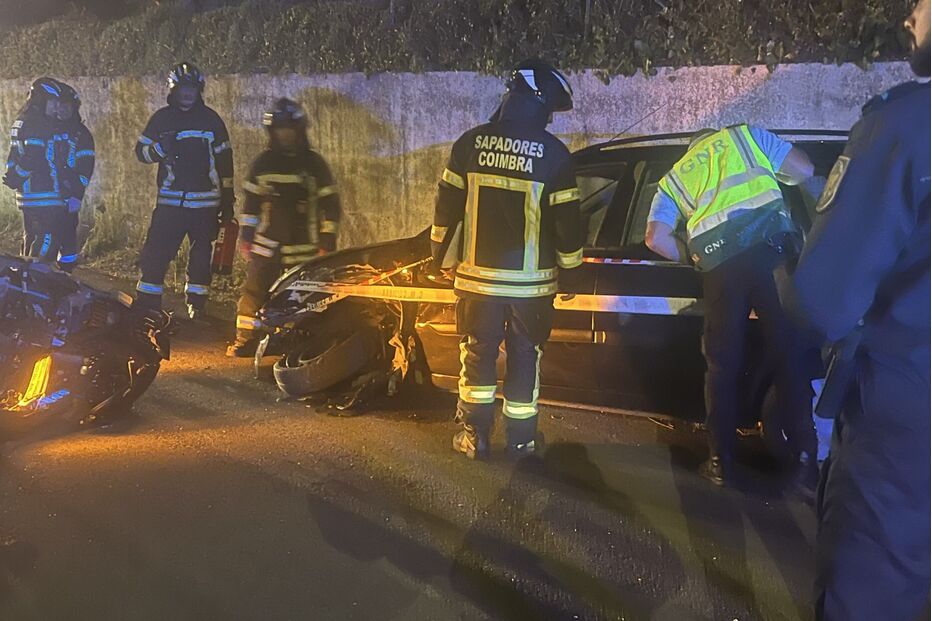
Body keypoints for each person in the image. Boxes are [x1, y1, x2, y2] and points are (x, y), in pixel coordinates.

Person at [783, 1, 930, 617]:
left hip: (907, 431)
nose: (911, 19)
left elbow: (823, 303)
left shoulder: (904, 127)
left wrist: (781, 276)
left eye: (921, 3)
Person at [645, 124, 816, 487]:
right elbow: (805, 170)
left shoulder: (674, 178)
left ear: (691, 150)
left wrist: (696, 258)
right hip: (773, 254)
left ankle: (720, 461)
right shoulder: (745, 136)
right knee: (789, 354)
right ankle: (805, 458)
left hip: (721, 269)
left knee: (721, 365)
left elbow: (655, 239)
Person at [431, 59, 584, 460]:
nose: (550, 118)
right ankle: (521, 441)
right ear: (538, 103)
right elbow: (568, 223)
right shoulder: (554, 154)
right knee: (525, 358)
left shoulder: (470, 144)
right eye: (550, 109)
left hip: (477, 282)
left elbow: (446, 210)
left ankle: (474, 437)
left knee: (477, 355)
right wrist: (571, 273)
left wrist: (438, 259)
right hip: (531, 288)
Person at [227, 98, 342, 357]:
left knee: (305, 298)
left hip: (305, 248)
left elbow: (331, 206)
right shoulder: (263, 164)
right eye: (280, 130)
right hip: (267, 245)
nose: (285, 135)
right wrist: (246, 237)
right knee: (254, 293)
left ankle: (301, 341)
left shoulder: (314, 165)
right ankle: (246, 339)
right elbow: (251, 205)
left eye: (289, 129)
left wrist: (327, 242)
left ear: (299, 130)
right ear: (272, 132)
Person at [134, 62, 234, 319]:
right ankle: (147, 307)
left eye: (192, 88)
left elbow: (225, 161)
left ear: (199, 90)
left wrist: (228, 199)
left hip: (205, 204)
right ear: (173, 90)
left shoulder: (211, 120)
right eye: (182, 88)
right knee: (156, 255)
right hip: (170, 204)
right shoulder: (161, 119)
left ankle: (196, 308)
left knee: (201, 259)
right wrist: (160, 149)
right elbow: (141, 153)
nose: (188, 93)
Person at [2, 78, 73, 261]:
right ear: (41, 100)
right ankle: (35, 272)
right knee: (47, 240)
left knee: (31, 238)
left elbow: (14, 156)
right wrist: (19, 176)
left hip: (29, 194)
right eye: (53, 102)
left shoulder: (22, 121)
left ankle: (23, 275)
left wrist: (14, 177)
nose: (56, 107)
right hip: (43, 194)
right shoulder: (38, 123)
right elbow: (34, 157)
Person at [53, 81, 96, 273]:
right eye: (59, 105)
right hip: (46, 195)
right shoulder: (46, 130)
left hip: (68, 196)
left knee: (67, 236)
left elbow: (86, 168)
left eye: (66, 105)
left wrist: (76, 195)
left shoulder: (82, 135)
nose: (62, 109)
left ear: (73, 108)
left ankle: (66, 273)